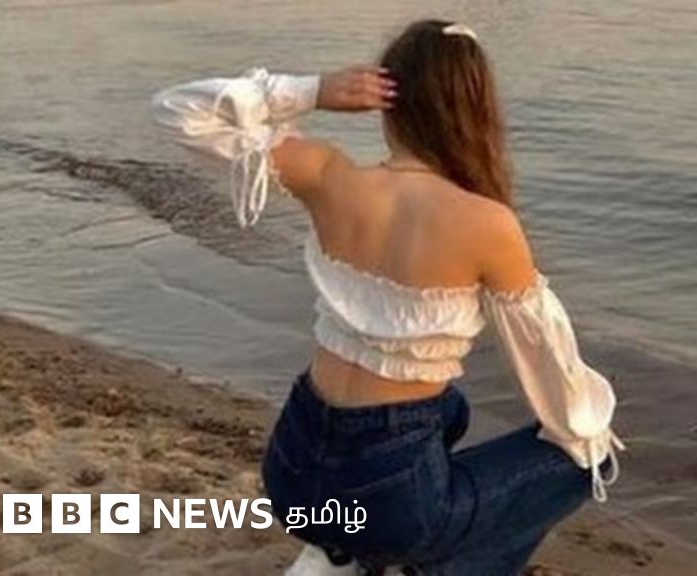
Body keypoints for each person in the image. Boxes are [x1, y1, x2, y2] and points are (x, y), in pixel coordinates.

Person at [150, 18, 623, 576]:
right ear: (476, 108)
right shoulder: (487, 223)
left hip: (295, 479)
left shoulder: (328, 175)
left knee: (451, 408)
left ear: (384, 101)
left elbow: (176, 110)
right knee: (587, 458)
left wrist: (312, 90)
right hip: (385, 508)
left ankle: (338, 554)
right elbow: (550, 367)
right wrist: (590, 432)